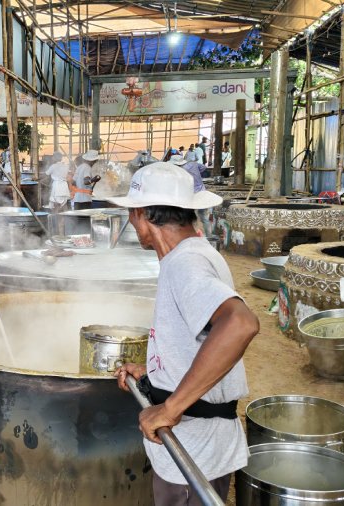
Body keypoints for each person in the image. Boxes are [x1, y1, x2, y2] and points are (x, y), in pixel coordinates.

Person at [108, 162, 259, 506]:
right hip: (197, 446)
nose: (132, 222)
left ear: (143, 213)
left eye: (132, 213)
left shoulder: (184, 264)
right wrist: (157, 374)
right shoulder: (194, 253)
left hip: (193, 453)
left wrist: (170, 407)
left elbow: (240, 324)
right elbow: (200, 338)